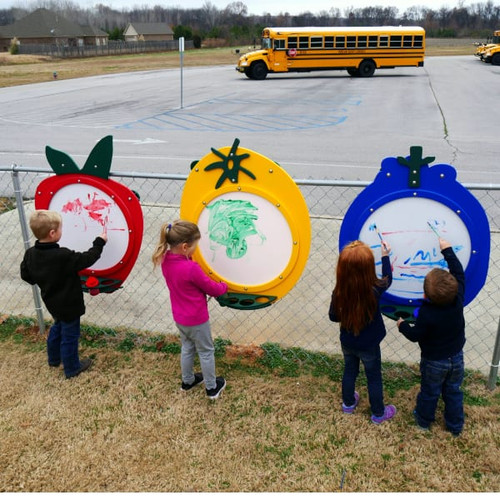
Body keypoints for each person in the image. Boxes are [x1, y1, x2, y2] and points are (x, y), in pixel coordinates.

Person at [20, 209, 107, 379]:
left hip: (51, 301)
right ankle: (72, 367)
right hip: (70, 304)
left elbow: (26, 275)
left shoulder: (30, 254)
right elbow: (88, 258)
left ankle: (54, 359)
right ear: (52, 233)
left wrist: (43, 280)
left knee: (57, 327)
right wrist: (100, 242)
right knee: (70, 336)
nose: (62, 231)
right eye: (60, 229)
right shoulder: (63, 255)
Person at [152, 219, 228, 400]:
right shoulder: (191, 268)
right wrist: (224, 286)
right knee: (206, 351)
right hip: (197, 319)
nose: (197, 249)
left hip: (180, 317)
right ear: (185, 247)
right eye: (195, 246)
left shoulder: (165, 260)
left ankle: (188, 381)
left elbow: (186, 280)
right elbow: (212, 288)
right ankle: (212, 387)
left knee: (187, 347)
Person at [397, 238, 465, 436]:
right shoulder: (458, 299)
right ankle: (455, 426)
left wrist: (403, 326)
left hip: (434, 361)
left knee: (430, 391)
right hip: (457, 357)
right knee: (453, 391)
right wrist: (448, 251)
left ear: (425, 296)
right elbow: (459, 272)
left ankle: (424, 421)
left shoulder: (426, 314)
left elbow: (415, 335)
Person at [328, 240, 396, 424]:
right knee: (373, 377)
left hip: (348, 342)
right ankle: (378, 413)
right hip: (369, 345)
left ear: (341, 269)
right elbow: (388, 278)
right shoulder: (375, 289)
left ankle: (348, 404)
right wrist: (385, 255)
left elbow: (333, 317)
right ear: (368, 269)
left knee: (350, 370)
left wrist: (348, 315)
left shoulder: (339, 292)